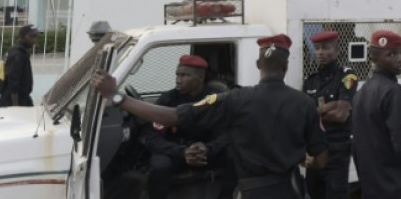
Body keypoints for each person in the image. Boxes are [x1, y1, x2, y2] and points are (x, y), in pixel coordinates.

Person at [92, 34, 328, 199]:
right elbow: (321, 159)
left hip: (253, 189)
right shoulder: (306, 103)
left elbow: (172, 117)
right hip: (291, 188)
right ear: (285, 67)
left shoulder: (234, 99)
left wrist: (117, 96)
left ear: (258, 64)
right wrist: (306, 160)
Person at [140, 54, 235, 199]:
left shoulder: (215, 99)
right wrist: (182, 151)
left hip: (206, 153)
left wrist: (208, 149)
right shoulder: (168, 99)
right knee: (159, 164)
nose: (178, 80)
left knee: (235, 155)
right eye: (177, 75)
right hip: (177, 154)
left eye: (184, 75)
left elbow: (227, 134)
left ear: (200, 77)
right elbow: (152, 137)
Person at [352, 30, 401, 199]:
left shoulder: (361, 92)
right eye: (391, 54)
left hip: (374, 189)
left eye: (400, 52)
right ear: (374, 59)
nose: (400, 58)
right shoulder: (395, 93)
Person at [302, 31, 358, 199]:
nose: (320, 52)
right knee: (314, 193)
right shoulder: (310, 81)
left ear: (337, 51)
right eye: (317, 48)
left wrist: (315, 113)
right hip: (315, 153)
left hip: (336, 152)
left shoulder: (347, 76)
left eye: (326, 48)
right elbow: (304, 116)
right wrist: (327, 107)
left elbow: (341, 115)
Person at [0, 24, 38, 108]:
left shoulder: (19, 51)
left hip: (22, 97)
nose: (34, 40)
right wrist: (15, 106)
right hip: (14, 100)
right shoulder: (18, 54)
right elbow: (13, 81)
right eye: (32, 36)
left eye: (36, 36)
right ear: (23, 37)